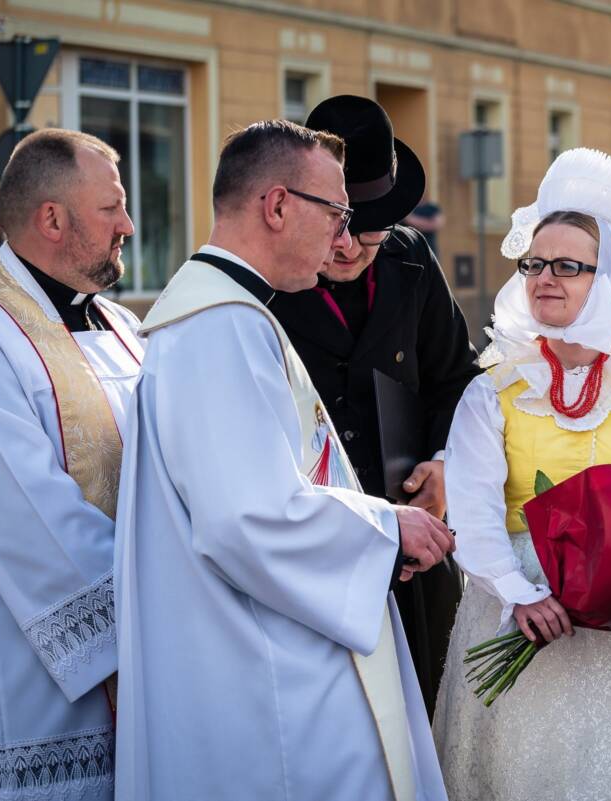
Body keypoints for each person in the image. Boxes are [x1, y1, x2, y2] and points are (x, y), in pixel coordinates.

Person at [112, 119, 454, 801]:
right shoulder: (221, 330)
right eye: (335, 213)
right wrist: (388, 530)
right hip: (263, 675)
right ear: (276, 206)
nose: (342, 238)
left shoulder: (233, 316)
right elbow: (249, 518)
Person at [432, 148, 611, 801]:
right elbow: (471, 513)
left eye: (567, 265)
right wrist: (517, 593)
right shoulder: (493, 391)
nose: (543, 278)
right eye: (533, 262)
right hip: (524, 627)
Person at [0, 128, 142, 799]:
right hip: (30, 709)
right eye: (111, 209)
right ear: (52, 219)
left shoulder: (123, 329)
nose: (130, 226)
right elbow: (31, 518)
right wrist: (138, 634)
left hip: (140, 688)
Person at [271, 96, 479, 717]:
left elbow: (458, 376)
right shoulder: (268, 281)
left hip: (418, 549)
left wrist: (445, 461)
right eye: (339, 227)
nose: (351, 247)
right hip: (322, 556)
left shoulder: (411, 258)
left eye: (372, 230)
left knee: (428, 715)